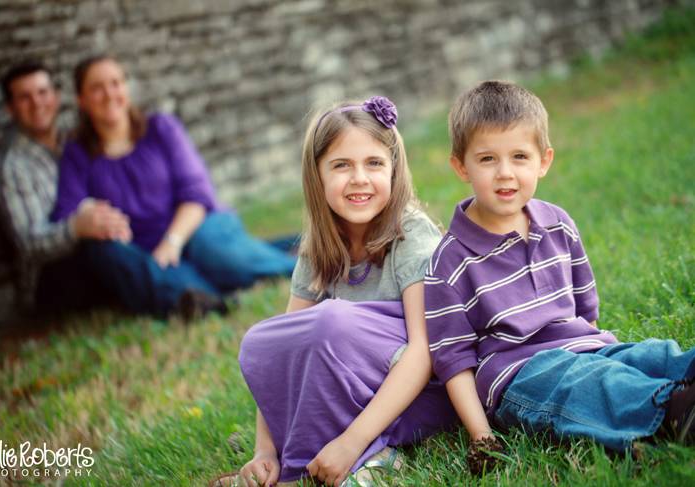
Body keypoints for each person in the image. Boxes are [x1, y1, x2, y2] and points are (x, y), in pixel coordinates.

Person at [424, 80, 695, 474]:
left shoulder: (558, 224)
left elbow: (587, 315)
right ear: (460, 166)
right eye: (487, 159)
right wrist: (482, 435)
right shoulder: (449, 262)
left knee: (647, 356)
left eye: (519, 156)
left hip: (582, 346)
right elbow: (453, 361)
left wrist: (605, 356)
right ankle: (675, 410)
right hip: (519, 376)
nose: (505, 174)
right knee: (582, 384)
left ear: (544, 161)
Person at [214, 96, 458, 487]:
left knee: (332, 320)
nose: (359, 178)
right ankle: (330, 464)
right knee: (263, 342)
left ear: (394, 170)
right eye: (341, 165)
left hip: (424, 394)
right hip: (356, 391)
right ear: (318, 175)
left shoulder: (412, 236)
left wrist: (350, 441)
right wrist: (264, 450)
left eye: (374, 163)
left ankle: (320, 467)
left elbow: (423, 353)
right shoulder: (319, 247)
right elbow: (285, 356)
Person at [50, 55, 297, 318]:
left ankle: (298, 266)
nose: (109, 94)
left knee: (212, 251)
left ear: (126, 87)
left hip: (196, 226)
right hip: (145, 252)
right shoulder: (76, 153)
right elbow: (68, 211)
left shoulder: (160, 128)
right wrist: (94, 215)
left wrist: (172, 241)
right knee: (111, 255)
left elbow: (196, 193)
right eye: (97, 87)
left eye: (116, 83)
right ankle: (204, 298)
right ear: (81, 100)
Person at [0, 61, 131, 315]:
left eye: (43, 93)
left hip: (102, 248)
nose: (37, 103)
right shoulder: (13, 167)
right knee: (109, 251)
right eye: (25, 98)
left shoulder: (79, 143)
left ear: (55, 97)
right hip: (53, 278)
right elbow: (28, 244)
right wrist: (76, 228)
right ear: (10, 109)